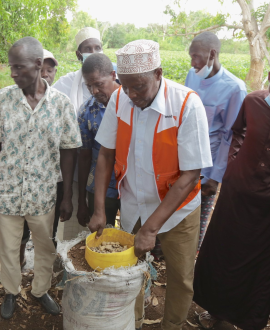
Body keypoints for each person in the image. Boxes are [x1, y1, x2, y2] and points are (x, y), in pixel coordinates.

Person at [88, 40, 212, 330]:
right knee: (127, 271)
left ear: (159, 73)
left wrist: (152, 228)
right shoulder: (120, 99)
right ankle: (131, 322)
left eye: (139, 87)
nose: (132, 95)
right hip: (134, 203)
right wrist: (99, 210)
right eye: (126, 86)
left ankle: (172, 325)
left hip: (178, 209)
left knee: (180, 277)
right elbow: (105, 155)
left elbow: (190, 175)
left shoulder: (186, 104)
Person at [0, 37, 81, 320]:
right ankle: (11, 291)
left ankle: (40, 290)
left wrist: (66, 197)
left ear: (38, 65)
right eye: (11, 68)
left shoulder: (61, 105)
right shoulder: (3, 99)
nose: (13, 74)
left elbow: (68, 150)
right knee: (9, 247)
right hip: (9, 191)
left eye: (19, 67)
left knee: (45, 245)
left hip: (42, 192)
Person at [193, 72, 270, 330]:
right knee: (224, 250)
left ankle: (247, 320)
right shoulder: (255, 102)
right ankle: (219, 313)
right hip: (237, 194)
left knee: (259, 263)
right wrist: (236, 164)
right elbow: (237, 131)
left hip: (265, 205)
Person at [185, 32, 247, 250]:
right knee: (175, 214)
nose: (193, 63)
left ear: (212, 54)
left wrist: (215, 177)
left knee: (198, 219)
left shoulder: (234, 88)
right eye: (190, 57)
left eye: (196, 57)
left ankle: (191, 266)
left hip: (207, 167)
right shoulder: (191, 76)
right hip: (183, 159)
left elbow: (230, 136)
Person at [53, 27, 105, 240]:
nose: (93, 51)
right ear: (78, 54)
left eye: (97, 47)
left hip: (107, 165)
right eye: (87, 48)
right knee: (77, 224)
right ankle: (73, 267)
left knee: (103, 224)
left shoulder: (116, 80)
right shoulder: (66, 83)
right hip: (77, 165)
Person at [20, 48, 60, 267]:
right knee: (21, 232)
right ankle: (19, 265)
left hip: (49, 184)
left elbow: (67, 149)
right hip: (21, 183)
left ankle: (44, 275)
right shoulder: (13, 100)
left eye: (49, 70)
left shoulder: (60, 104)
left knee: (47, 232)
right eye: (39, 69)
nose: (45, 74)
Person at [77, 53, 120, 228]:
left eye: (99, 84)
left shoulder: (133, 103)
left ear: (113, 75)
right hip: (102, 189)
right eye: (89, 86)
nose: (94, 91)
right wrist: (82, 200)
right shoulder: (87, 112)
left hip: (132, 187)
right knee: (101, 239)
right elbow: (84, 156)